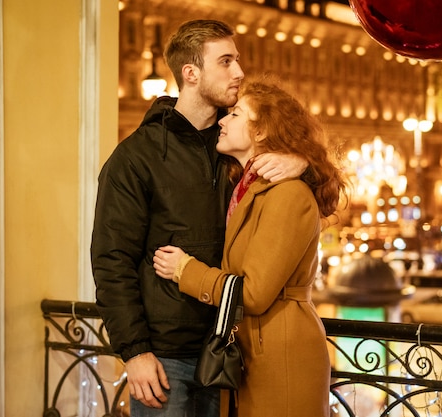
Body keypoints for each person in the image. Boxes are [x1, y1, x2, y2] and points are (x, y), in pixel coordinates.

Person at [91, 20, 305, 417]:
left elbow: (310, 197)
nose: (239, 72)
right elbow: (111, 260)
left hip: (232, 352)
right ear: (191, 73)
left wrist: (300, 162)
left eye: (237, 59)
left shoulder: (237, 144)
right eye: (225, 61)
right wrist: (134, 351)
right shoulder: (137, 156)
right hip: (165, 359)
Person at [153, 78, 348, 417]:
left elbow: (255, 292)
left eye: (236, 114)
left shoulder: (286, 194)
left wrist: (185, 270)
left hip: (281, 353)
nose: (223, 121)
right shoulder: (247, 186)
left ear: (261, 132)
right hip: (255, 348)